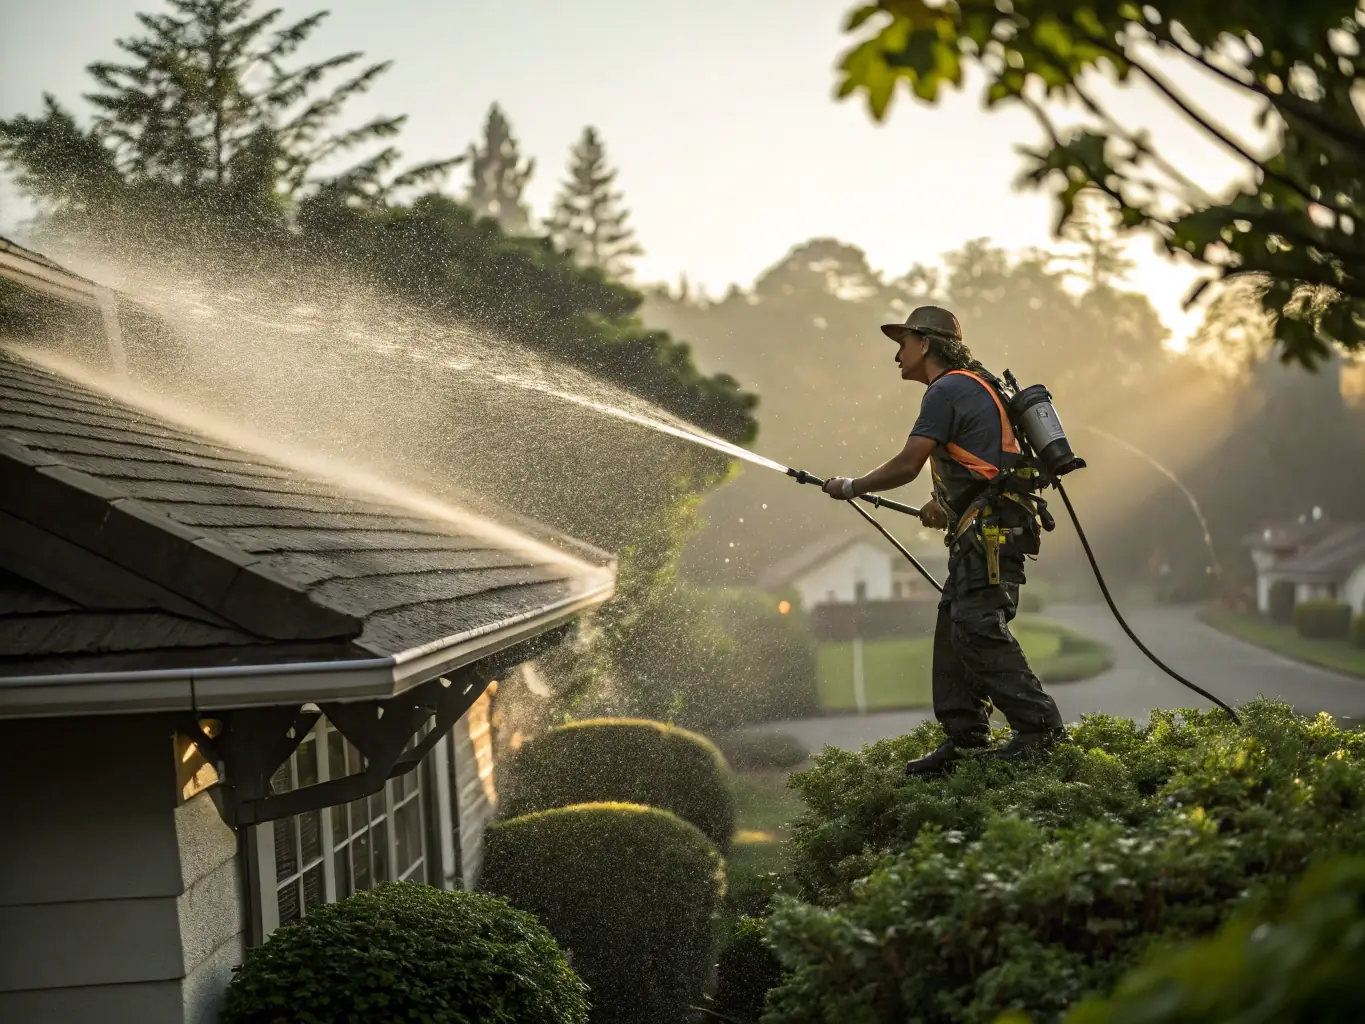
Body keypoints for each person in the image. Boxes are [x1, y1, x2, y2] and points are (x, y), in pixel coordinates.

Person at [822, 305, 1065, 773]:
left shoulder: (946, 389)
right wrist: (945, 506)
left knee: (976, 626)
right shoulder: (970, 386)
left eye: (902, 343)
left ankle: (1040, 728)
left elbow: (907, 464)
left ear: (926, 344)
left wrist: (852, 486)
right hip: (988, 526)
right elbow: (986, 463)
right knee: (956, 626)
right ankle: (967, 738)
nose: (897, 355)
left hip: (992, 533)